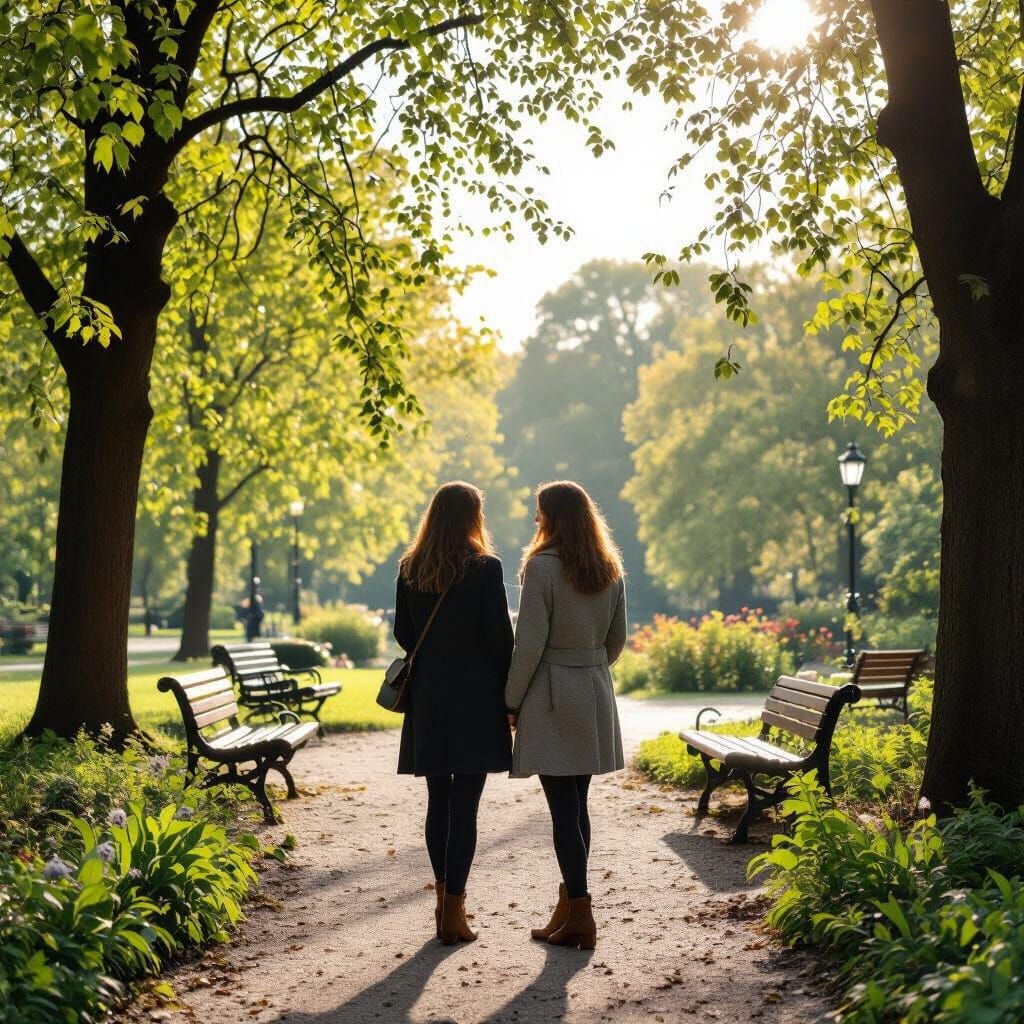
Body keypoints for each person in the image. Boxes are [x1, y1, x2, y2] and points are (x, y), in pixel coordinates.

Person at [505, 481, 626, 950]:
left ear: (552, 517)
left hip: (552, 691)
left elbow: (529, 642)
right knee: (578, 804)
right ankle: (571, 907)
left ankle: (580, 911)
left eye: (539, 512)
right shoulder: (610, 568)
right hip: (593, 688)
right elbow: (616, 640)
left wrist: (511, 701)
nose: (535, 520)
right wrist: (589, 665)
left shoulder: (541, 568)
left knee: (563, 810)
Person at [394, 481, 514, 945]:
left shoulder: (410, 567)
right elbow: (500, 639)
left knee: (437, 802)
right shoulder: (485, 568)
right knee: (465, 805)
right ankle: (454, 911)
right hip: (476, 698)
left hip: (429, 697)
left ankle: (442, 901)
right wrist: (510, 698)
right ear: (472, 517)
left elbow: (405, 633)